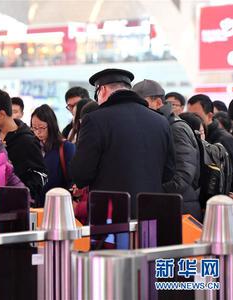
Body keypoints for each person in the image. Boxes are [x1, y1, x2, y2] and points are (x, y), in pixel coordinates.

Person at [71, 69, 175, 218]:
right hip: (151, 213)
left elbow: (80, 174)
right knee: (147, 242)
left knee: (114, 243)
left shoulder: (95, 120)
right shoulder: (161, 121)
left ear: (103, 90)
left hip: (110, 216)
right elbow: (169, 173)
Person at [133, 79, 201, 220]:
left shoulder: (175, 128)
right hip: (170, 204)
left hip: (180, 208)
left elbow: (183, 175)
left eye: (142, 104)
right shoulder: (159, 126)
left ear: (158, 103)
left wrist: (153, 191)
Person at [0, 88, 47, 207]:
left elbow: (40, 176)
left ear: (1, 114)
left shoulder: (27, 141)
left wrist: (19, 192)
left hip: (17, 208)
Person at [187, 94, 233, 191]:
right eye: (189, 114)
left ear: (210, 116)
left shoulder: (224, 139)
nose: (192, 119)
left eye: (196, 115)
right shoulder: (194, 137)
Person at [31, 104, 75, 206]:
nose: (38, 132)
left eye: (42, 127)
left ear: (51, 125)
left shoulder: (65, 147)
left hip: (58, 205)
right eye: (34, 128)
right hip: (36, 207)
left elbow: (72, 180)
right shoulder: (33, 147)